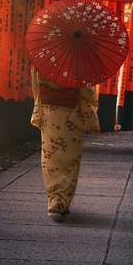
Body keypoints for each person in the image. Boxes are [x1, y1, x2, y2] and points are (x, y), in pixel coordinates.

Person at [30, 68, 100, 223]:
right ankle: (62, 202)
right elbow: (87, 91)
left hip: (49, 112)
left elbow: (36, 84)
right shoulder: (78, 60)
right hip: (72, 113)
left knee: (51, 156)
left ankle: (54, 199)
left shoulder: (42, 59)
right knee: (70, 158)